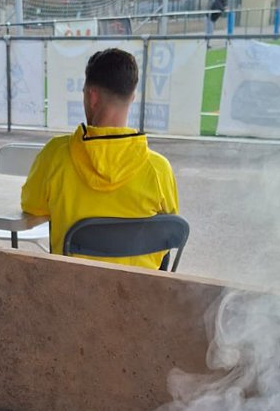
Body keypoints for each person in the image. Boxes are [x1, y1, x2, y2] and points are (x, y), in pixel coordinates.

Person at [20, 48, 179, 269]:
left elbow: (32, 206)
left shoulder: (55, 155)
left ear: (92, 97)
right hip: (138, 288)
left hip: (70, 286)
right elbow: (168, 231)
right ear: (131, 98)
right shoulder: (159, 169)